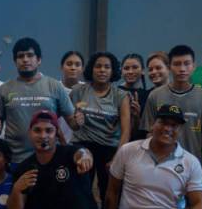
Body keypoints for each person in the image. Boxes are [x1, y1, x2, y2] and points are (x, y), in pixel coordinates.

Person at [0, 38, 76, 163]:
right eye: (20, 56)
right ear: (15, 61)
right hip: (16, 160)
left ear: (39, 60)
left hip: (50, 159)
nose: (25, 59)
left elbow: (73, 124)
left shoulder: (55, 86)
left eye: (30, 55)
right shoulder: (4, 89)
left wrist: (79, 121)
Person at [141, 45, 202, 183]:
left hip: (193, 164)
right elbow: (149, 132)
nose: (182, 69)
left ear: (193, 66)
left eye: (187, 64)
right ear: (170, 66)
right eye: (177, 64)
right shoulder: (155, 95)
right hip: (161, 163)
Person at [69, 51, 132, 194]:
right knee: (81, 192)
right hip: (83, 146)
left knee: (107, 192)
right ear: (91, 69)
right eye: (98, 66)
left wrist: (117, 158)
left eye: (107, 67)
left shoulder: (120, 96)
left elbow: (126, 131)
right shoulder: (78, 91)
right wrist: (76, 122)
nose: (102, 70)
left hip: (109, 148)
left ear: (113, 70)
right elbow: (72, 125)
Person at [119, 53, 148, 139]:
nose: (130, 71)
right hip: (114, 143)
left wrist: (137, 117)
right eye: (126, 68)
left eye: (135, 67)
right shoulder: (114, 92)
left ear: (143, 70)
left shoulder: (148, 95)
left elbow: (145, 130)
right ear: (121, 71)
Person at [58, 51, 84, 143]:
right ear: (61, 67)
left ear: (82, 69)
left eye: (77, 65)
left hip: (80, 143)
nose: (73, 68)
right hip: (57, 143)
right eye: (69, 64)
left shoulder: (87, 90)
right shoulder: (54, 88)